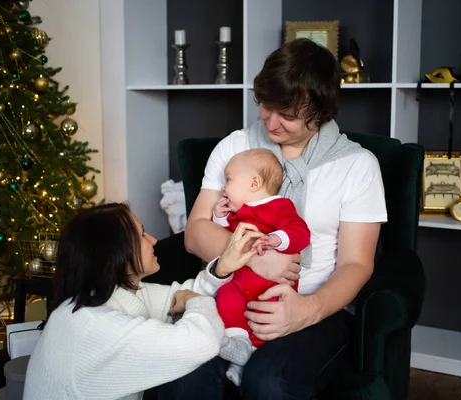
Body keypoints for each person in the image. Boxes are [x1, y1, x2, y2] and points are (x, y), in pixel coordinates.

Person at [159, 38, 387, 399]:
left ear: (320, 112)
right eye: (265, 105)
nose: (271, 121)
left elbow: (357, 264)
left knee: (269, 381)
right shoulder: (236, 149)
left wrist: (306, 310)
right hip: (231, 293)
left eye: (288, 115)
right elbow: (196, 232)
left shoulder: (358, 166)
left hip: (315, 305)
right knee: (184, 367)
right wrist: (256, 256)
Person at [23, 203, 265, 400]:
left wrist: (222, 268)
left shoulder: (116, 296)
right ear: (115, 253)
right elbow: (202, 342)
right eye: (141, 234)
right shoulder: (93, 327)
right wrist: (194, 301)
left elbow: (184, 295)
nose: (153, 240)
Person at [211, 148, 311, 386]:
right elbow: (223, 238)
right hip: (238, 283)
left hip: (270, 288)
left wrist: (277, 239)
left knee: (264, 321)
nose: (224, 188)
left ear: (254, 182)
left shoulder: (280, 206)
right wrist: (219, 217)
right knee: (225, 297)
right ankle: (239, 347)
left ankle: (246, 360)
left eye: (229, 180)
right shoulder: (238, 214)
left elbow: (300, 232)